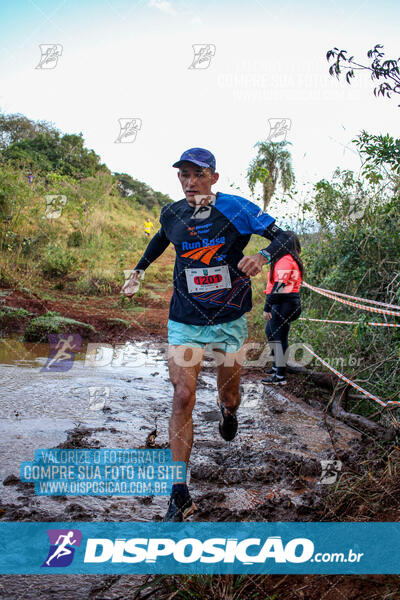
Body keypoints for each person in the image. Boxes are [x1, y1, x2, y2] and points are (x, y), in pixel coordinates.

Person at [121, 147, 291, 521]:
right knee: (183, 395)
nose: (190, 182)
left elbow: (287, 239)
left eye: (198, 174)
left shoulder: (236, 209)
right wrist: (139, 270)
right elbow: (162, 238)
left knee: (228, 394)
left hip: (229, 319)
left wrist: (262, 257)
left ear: (214, 177)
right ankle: (179, 493)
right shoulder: (173, 212)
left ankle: (229, 411)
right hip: (184, 320)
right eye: (183, 174)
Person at [261, 231, 303, 386]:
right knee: (270, 333)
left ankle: (280, 376)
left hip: (285, 303)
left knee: (279, 338)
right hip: (284, 301)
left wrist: (267, 307)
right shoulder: (284, 259)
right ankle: (276, 366)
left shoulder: (286, 260)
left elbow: (279, 287)